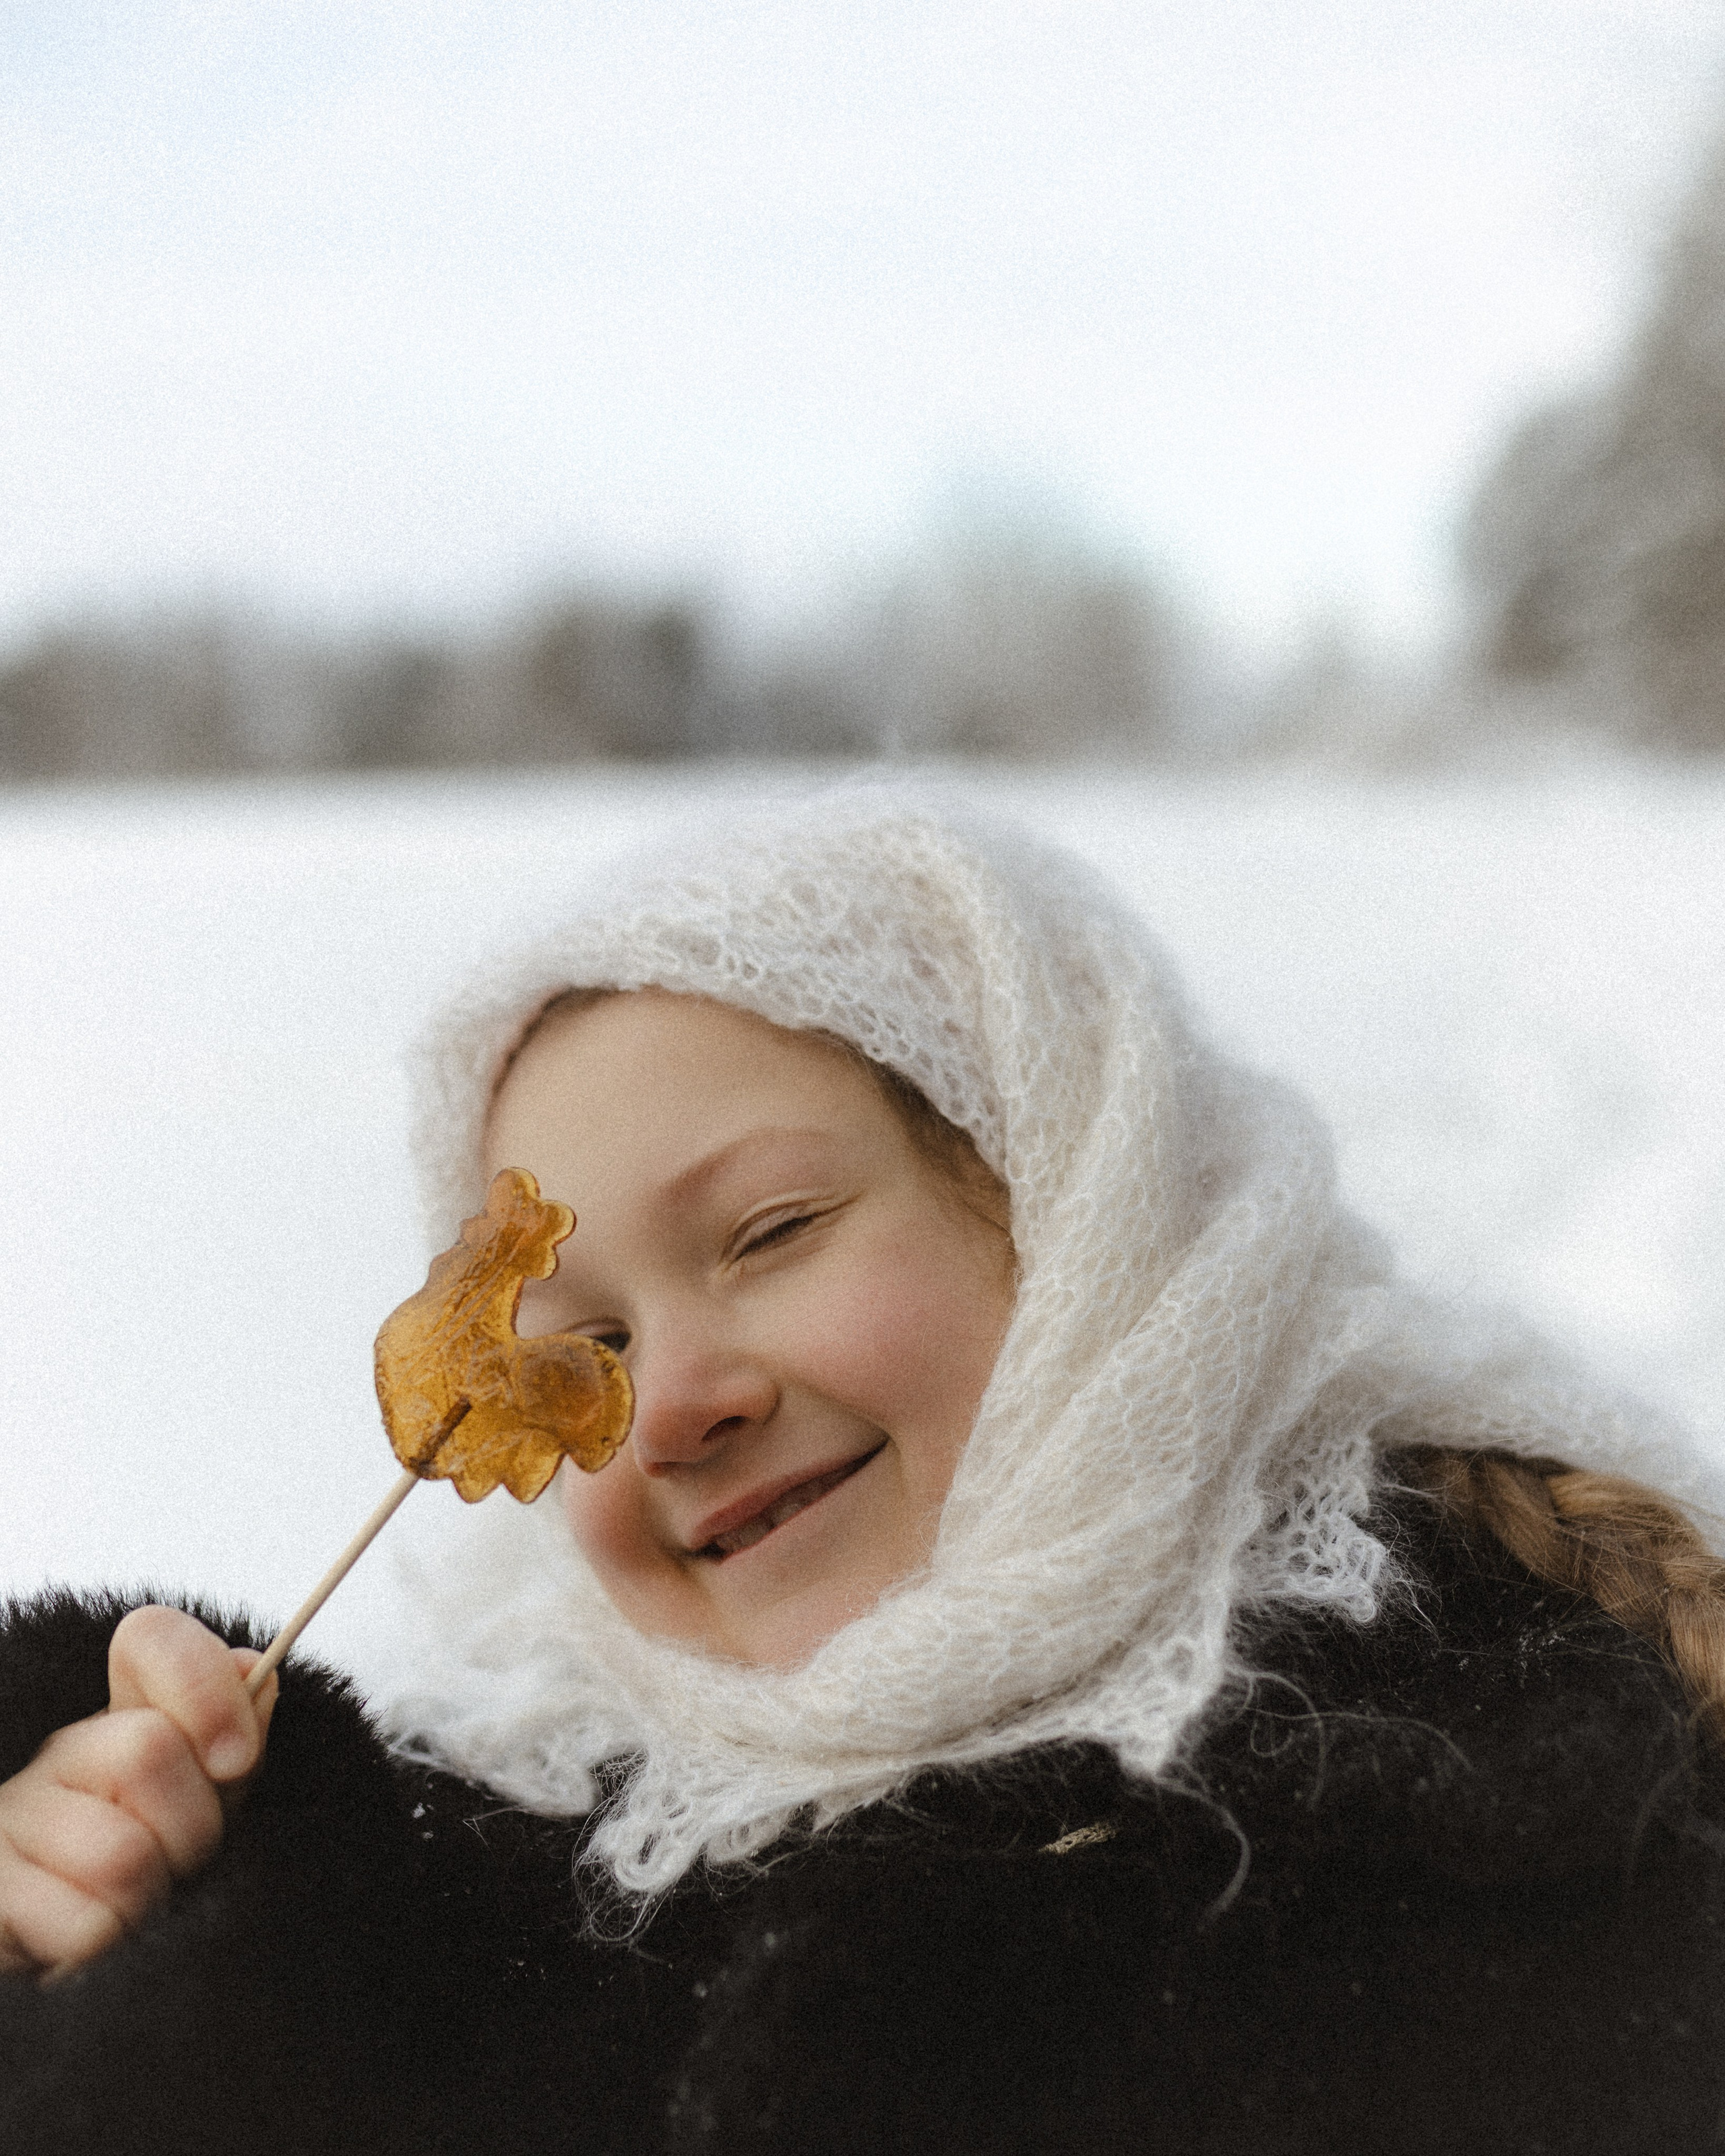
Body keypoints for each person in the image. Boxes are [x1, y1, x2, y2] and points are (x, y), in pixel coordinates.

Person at [1, 786, 1723, 2155]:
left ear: (1076, 1201)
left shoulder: (1517, 1862)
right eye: (581, 1343)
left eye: (770, 1231)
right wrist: (157, 1943)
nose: (667, 1411)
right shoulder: (474, 1893)